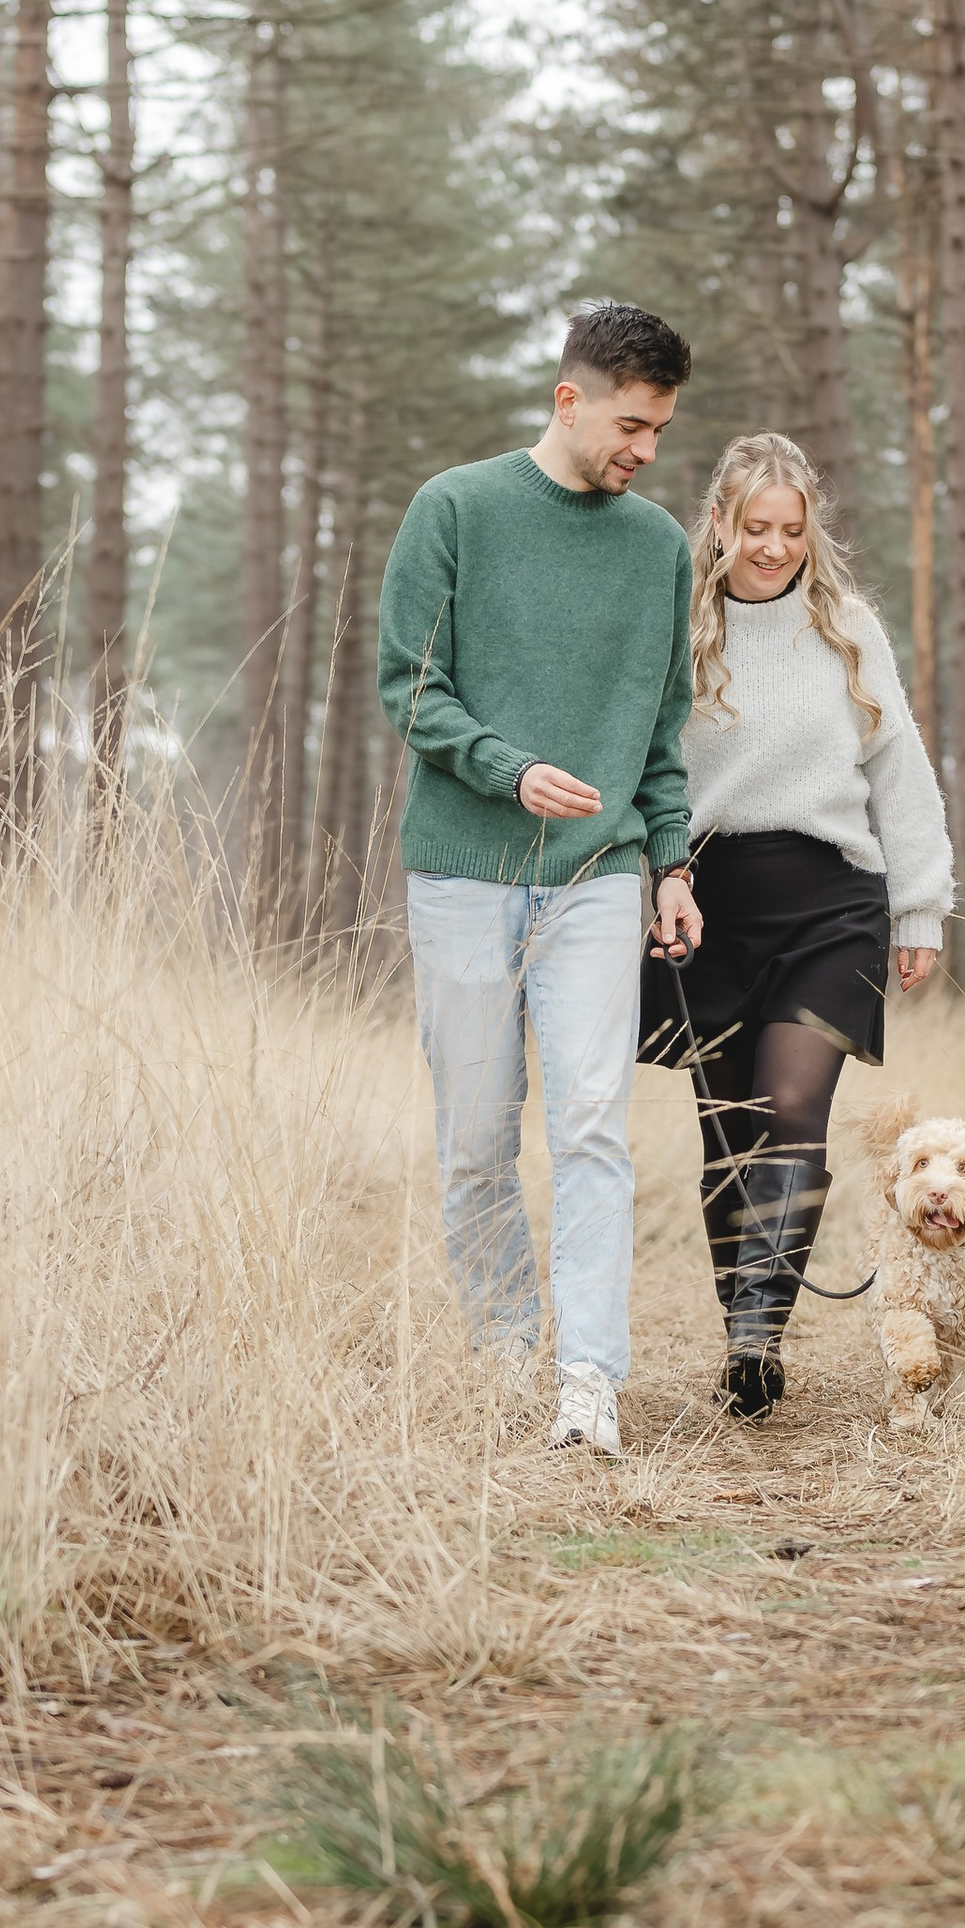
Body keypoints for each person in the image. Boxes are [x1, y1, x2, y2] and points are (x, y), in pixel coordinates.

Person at [376, 301, 705, 1460]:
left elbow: (663, 725)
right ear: (568, 399)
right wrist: (507, 772)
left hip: (598, 879)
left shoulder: (660, 546)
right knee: (474, 1141)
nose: (645, 451)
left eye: (659, 430)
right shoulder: (454, 509)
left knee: (593, 1131)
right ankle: (505, 1354)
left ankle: (586, 1382)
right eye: (629, 423)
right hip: (464, 872)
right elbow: (406, 688)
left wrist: (667, 858)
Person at [642, 431, 953, 1422]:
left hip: (831, 904)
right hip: (705, 906)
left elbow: (897, 772)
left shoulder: (847, 629)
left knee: (791, 1112)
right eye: (753, 527)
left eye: (791, 529)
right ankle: (745, 1319)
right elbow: (644, 769)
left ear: (811, 530)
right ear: (720, 526)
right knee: (726, 1132)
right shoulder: (677, 628)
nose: (772, 547)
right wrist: (655, 875)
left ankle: (756, 1338)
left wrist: (920, 907)